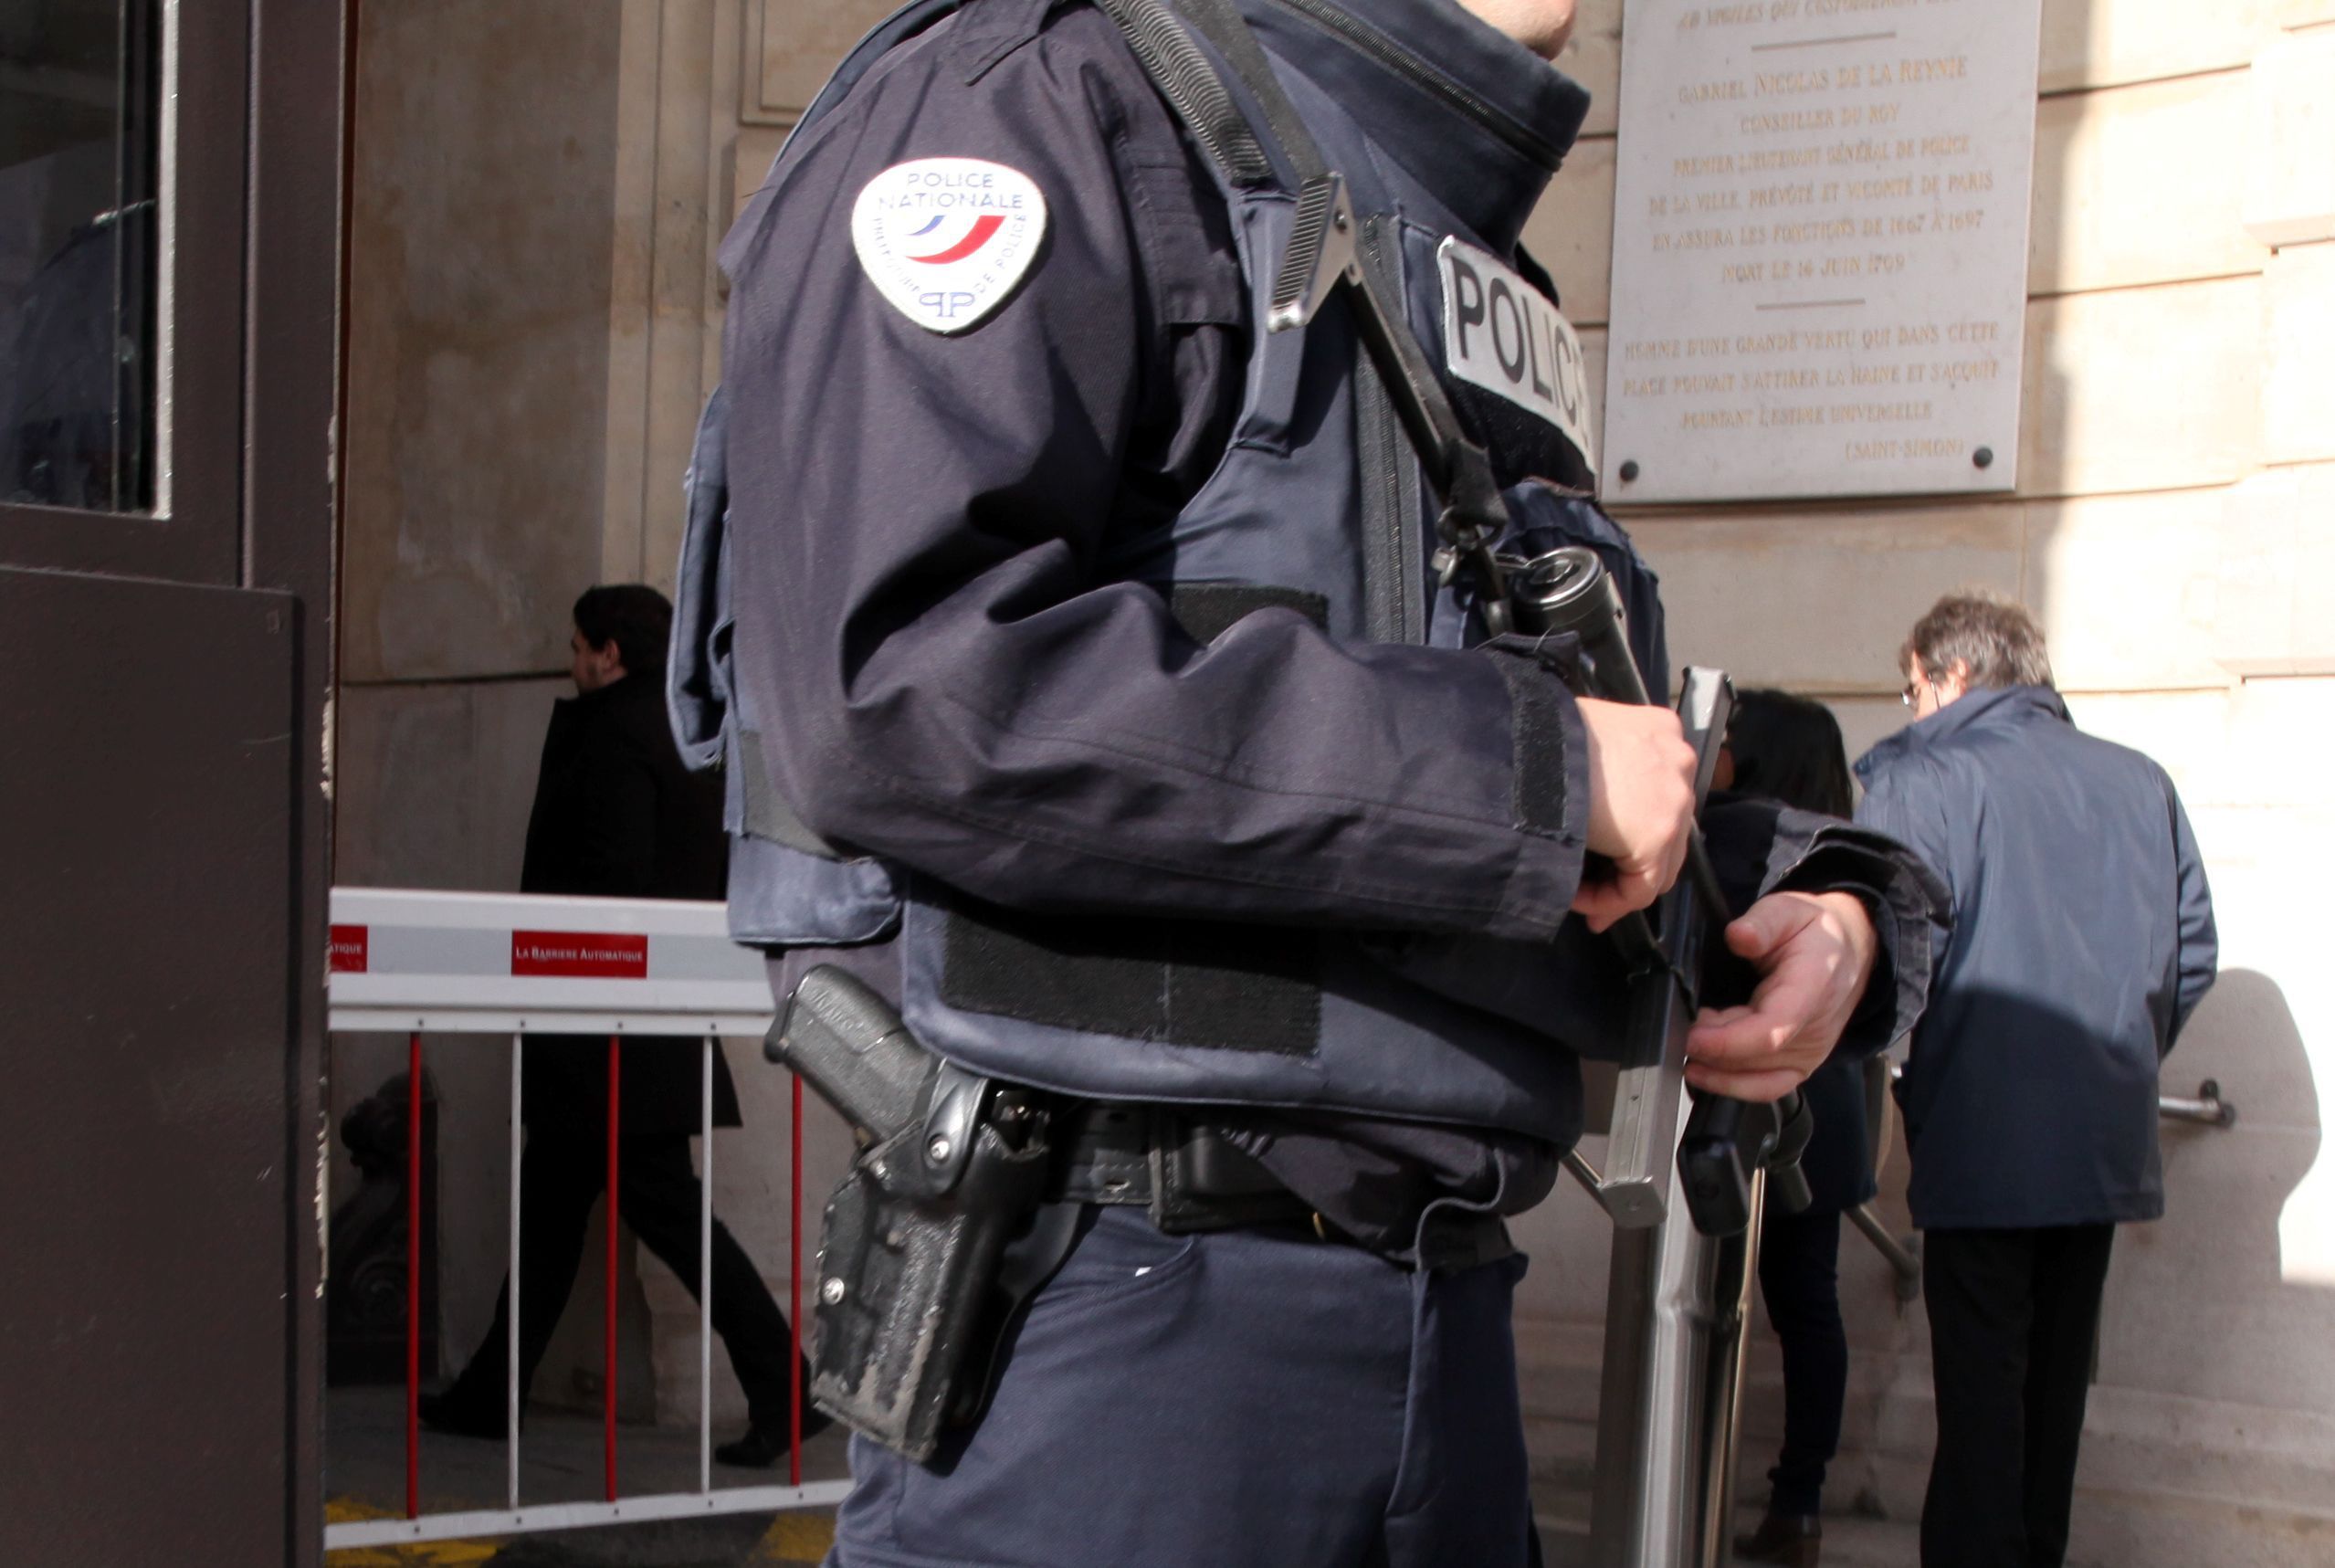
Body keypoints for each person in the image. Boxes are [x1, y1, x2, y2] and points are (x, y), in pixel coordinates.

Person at [675, 2, 1946, 1563]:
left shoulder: (1419, 211)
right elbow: (906, 688)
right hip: (1115, 1312)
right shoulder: (1039, 97)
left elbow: (1494, 767)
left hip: (1432, 1312)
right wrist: (1534, 777)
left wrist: (1810, 899)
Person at [1855, 592, 2218, 1568]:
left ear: (1952, 673)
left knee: (1978, 1408)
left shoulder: (1923, 775)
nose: (1909, 705)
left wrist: (1907, 1065)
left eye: (1912, 686)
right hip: (2097, 1137)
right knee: (2052, 1402)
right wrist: (2112, 1060)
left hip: (1979, 1130)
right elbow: (2187, 955)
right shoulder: (2139, 781)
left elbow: (1887, 954)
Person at [421, 584, 815, 1468]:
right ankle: (492, 1393)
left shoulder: (608, 734)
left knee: (658, 1221)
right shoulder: (689, 734)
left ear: (609, 652)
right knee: (555, 1217)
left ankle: (788, 1390)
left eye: (575, 646)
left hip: (602, 1030)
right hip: (641, 1027)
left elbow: (605, 881)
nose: (571, 661)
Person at [1720, 690, 1877, 1568]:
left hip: (1748, 1103)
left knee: (1720, 1300)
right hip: (1829, 1114)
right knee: (1806, 1307)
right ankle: (1798, 1501)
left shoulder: (1747, 843)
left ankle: (1725, 1487)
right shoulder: (1848, 857)